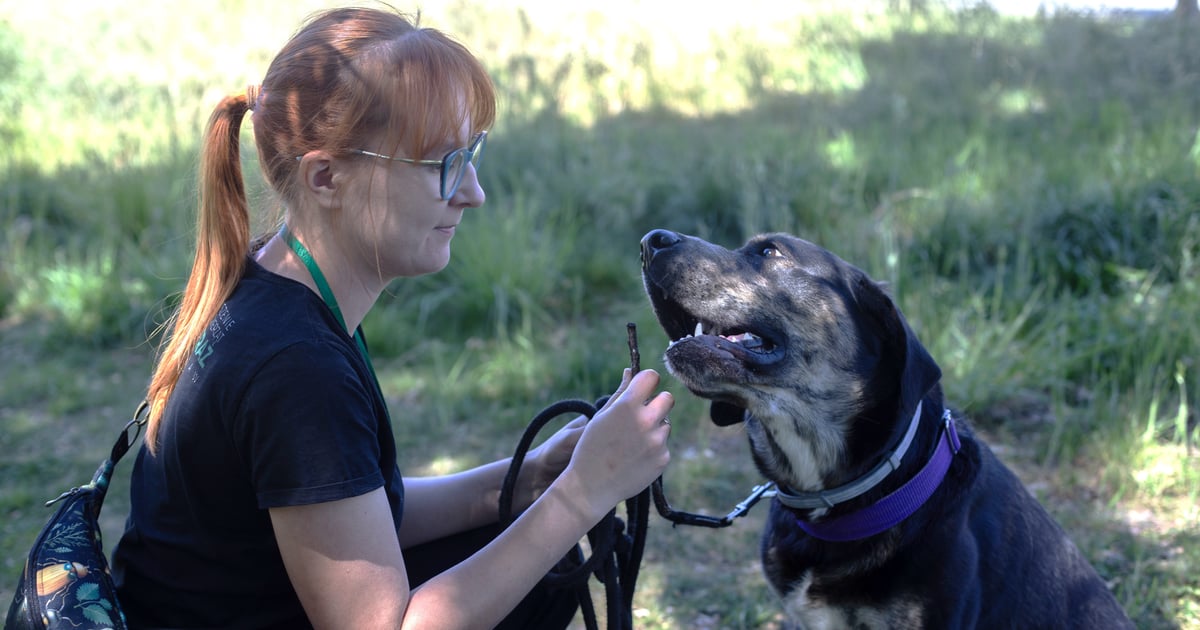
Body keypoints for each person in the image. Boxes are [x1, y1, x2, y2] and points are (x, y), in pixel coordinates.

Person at [110, 7, 674, 629]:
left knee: (534, 556)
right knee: (537, 556)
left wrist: (523, 482)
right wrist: (583, 491)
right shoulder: (296, 370)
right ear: (326, 177)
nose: (473, 192)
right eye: (442, 165)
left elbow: (355, 511)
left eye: (471, 154)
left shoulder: (277, 288)